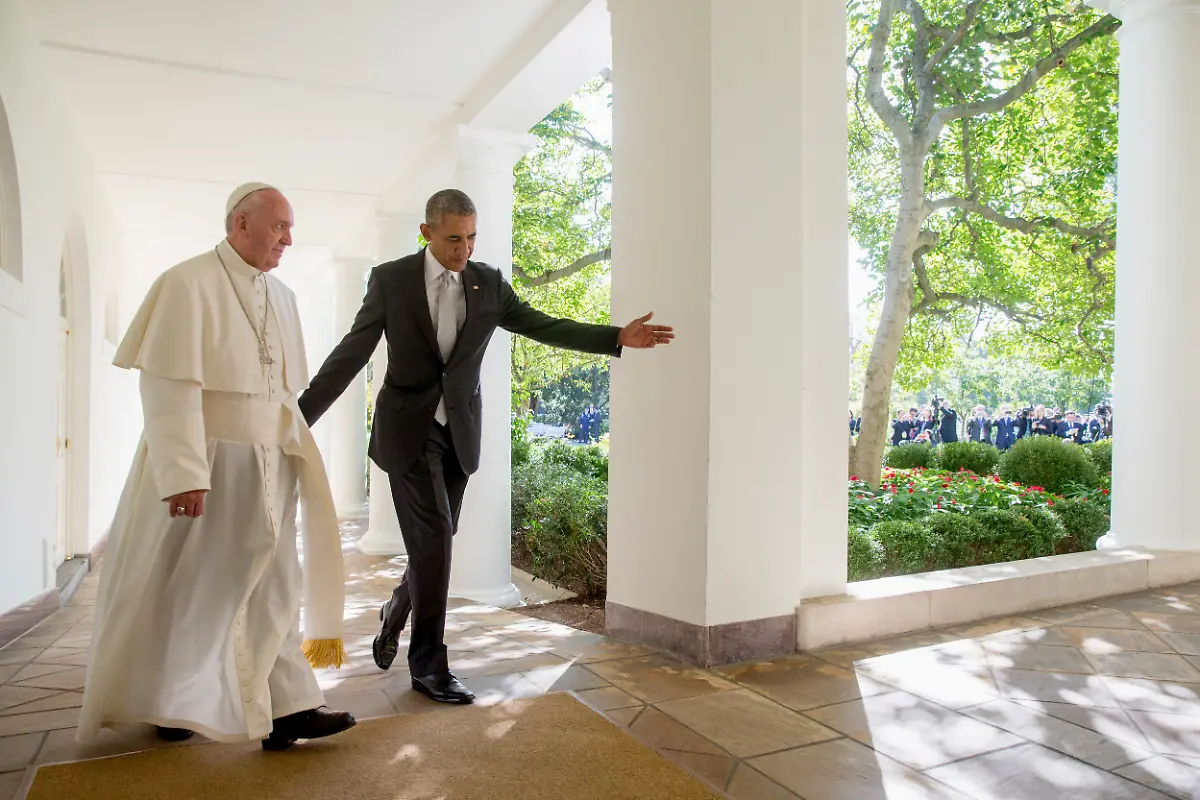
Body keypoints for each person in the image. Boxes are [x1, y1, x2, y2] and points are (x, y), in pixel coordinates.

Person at [299, 189, 674, 705]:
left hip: (459, 434)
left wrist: (615, 338)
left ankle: (395, 610)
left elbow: (544, 325)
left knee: (437, 543)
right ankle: (429, 665)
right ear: (427, 232)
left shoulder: (489, 283)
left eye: (472, 236)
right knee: (435, 544)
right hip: (408, 431)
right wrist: (297, 420)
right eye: (454, 238)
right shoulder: (391, 280)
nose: (464, 248)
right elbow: (352, 353)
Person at [79, 183, 355, 751]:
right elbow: (168, 386)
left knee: (279, 583)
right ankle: (173, 700)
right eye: (278, 225)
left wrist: (294, 453)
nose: (288, 238)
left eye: (290, 227)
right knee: (197, 588)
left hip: (270, 464)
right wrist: (183, 472)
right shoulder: (186, 283)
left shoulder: (283, 296)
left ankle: (290, 708)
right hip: (209, 460)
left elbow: (281, 390)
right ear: (240, 223)